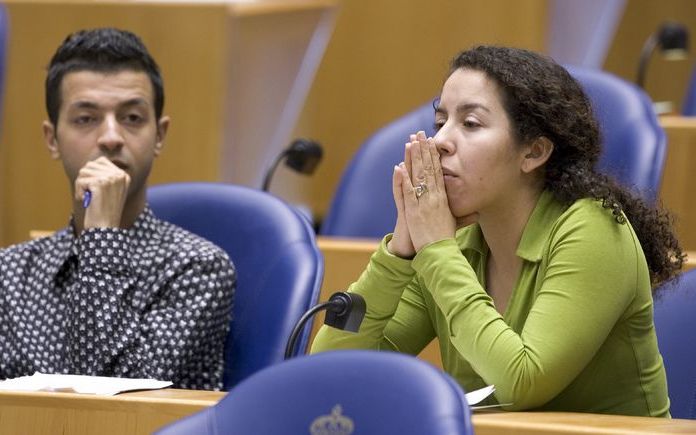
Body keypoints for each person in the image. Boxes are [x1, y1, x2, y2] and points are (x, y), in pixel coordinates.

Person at [312, 45, 683, 416]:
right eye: (440, 123)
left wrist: (436, 250)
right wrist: (399, 254)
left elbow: (522, 383)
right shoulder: (453, 244)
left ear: (533, 153)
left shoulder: (594, 230)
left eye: (470, 124)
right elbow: (330, 372)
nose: (440, 141)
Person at [0, 28, 235, 390]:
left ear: (159, 135)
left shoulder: (198, 270)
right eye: (86, 119)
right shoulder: (11, 275)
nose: (111, 137)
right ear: (52, 139)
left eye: (132, 118)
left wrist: (102, 236)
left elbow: (112, 397)